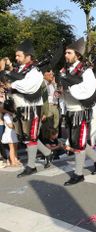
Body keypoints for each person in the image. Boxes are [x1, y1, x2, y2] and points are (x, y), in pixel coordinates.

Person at [56, 37, 96, 186]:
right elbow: (65, 87)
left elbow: (88, 90)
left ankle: (78, 174)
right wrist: (61, 92)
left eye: (69, 52)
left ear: (77, 55)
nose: (66, 55)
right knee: (77, 141)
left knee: (78, 143)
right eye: (65, 52)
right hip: (70, 109)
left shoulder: (86, 71)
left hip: (80, 111)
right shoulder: (66, 70)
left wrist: (70, 88)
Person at [3, 40, 54, 177]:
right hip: (19, 107)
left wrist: (11, 85)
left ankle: (31, 166)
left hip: (30, 107)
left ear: (28, 56)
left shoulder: (35, 70)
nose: (16, 58)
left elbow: (29, 86)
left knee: (31, 137)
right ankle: (48, 153)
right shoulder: (19, 70)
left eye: (19, 55)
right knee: (26, 137)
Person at [1, 100, 21, 167]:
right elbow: (10, 125)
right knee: (11, 148)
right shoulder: (6, 115)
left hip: (13, 132)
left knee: (15, 148)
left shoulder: (12, 114)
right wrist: (16, 125)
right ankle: (12, 162)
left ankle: (15, 159)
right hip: (9, 133)